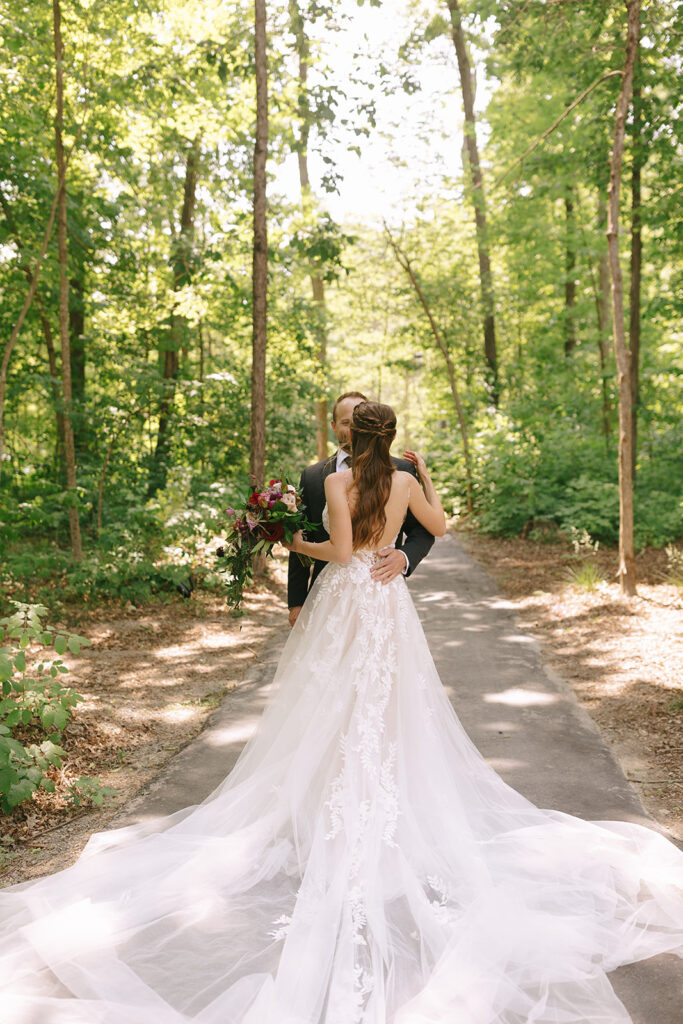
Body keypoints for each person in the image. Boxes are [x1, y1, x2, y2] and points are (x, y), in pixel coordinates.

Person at [1, 401, 682, 1024]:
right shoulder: (408, 483)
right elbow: (438, 529)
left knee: (330, 705)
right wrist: (427, 480)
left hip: (346, 598)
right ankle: (377, 811)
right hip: (387, 607)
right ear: (393, 440)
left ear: (350, 437)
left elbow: (334, 552)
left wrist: (278, 537)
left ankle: (331, 809)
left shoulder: (334, 485)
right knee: (385, 708)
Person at [287, 391, 434, 627]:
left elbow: (424, 529)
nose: (351, 428)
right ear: (334, 426)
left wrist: (404, 556)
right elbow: (302, 535)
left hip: (382, 591)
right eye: (346, 422)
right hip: (328, 597)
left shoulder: (403, 469)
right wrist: (296, 602)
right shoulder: (313, 476)